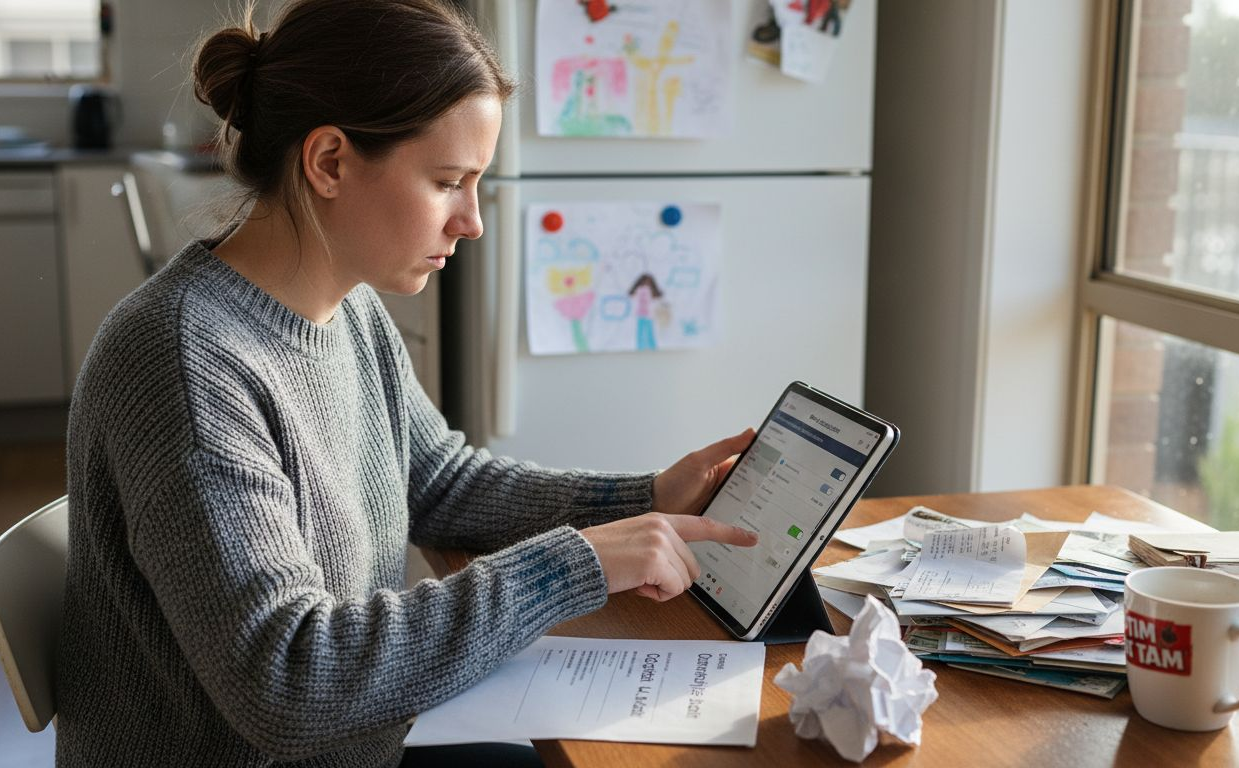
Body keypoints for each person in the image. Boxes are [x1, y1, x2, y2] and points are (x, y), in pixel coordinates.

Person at [55, 1, 759, 766]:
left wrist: (646, 496)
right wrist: (575, 563)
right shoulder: (184, 362)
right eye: (448, 181)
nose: (472, 221)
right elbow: (287, 678)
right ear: (329, 161)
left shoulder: (344, 306)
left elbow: (439, 481)